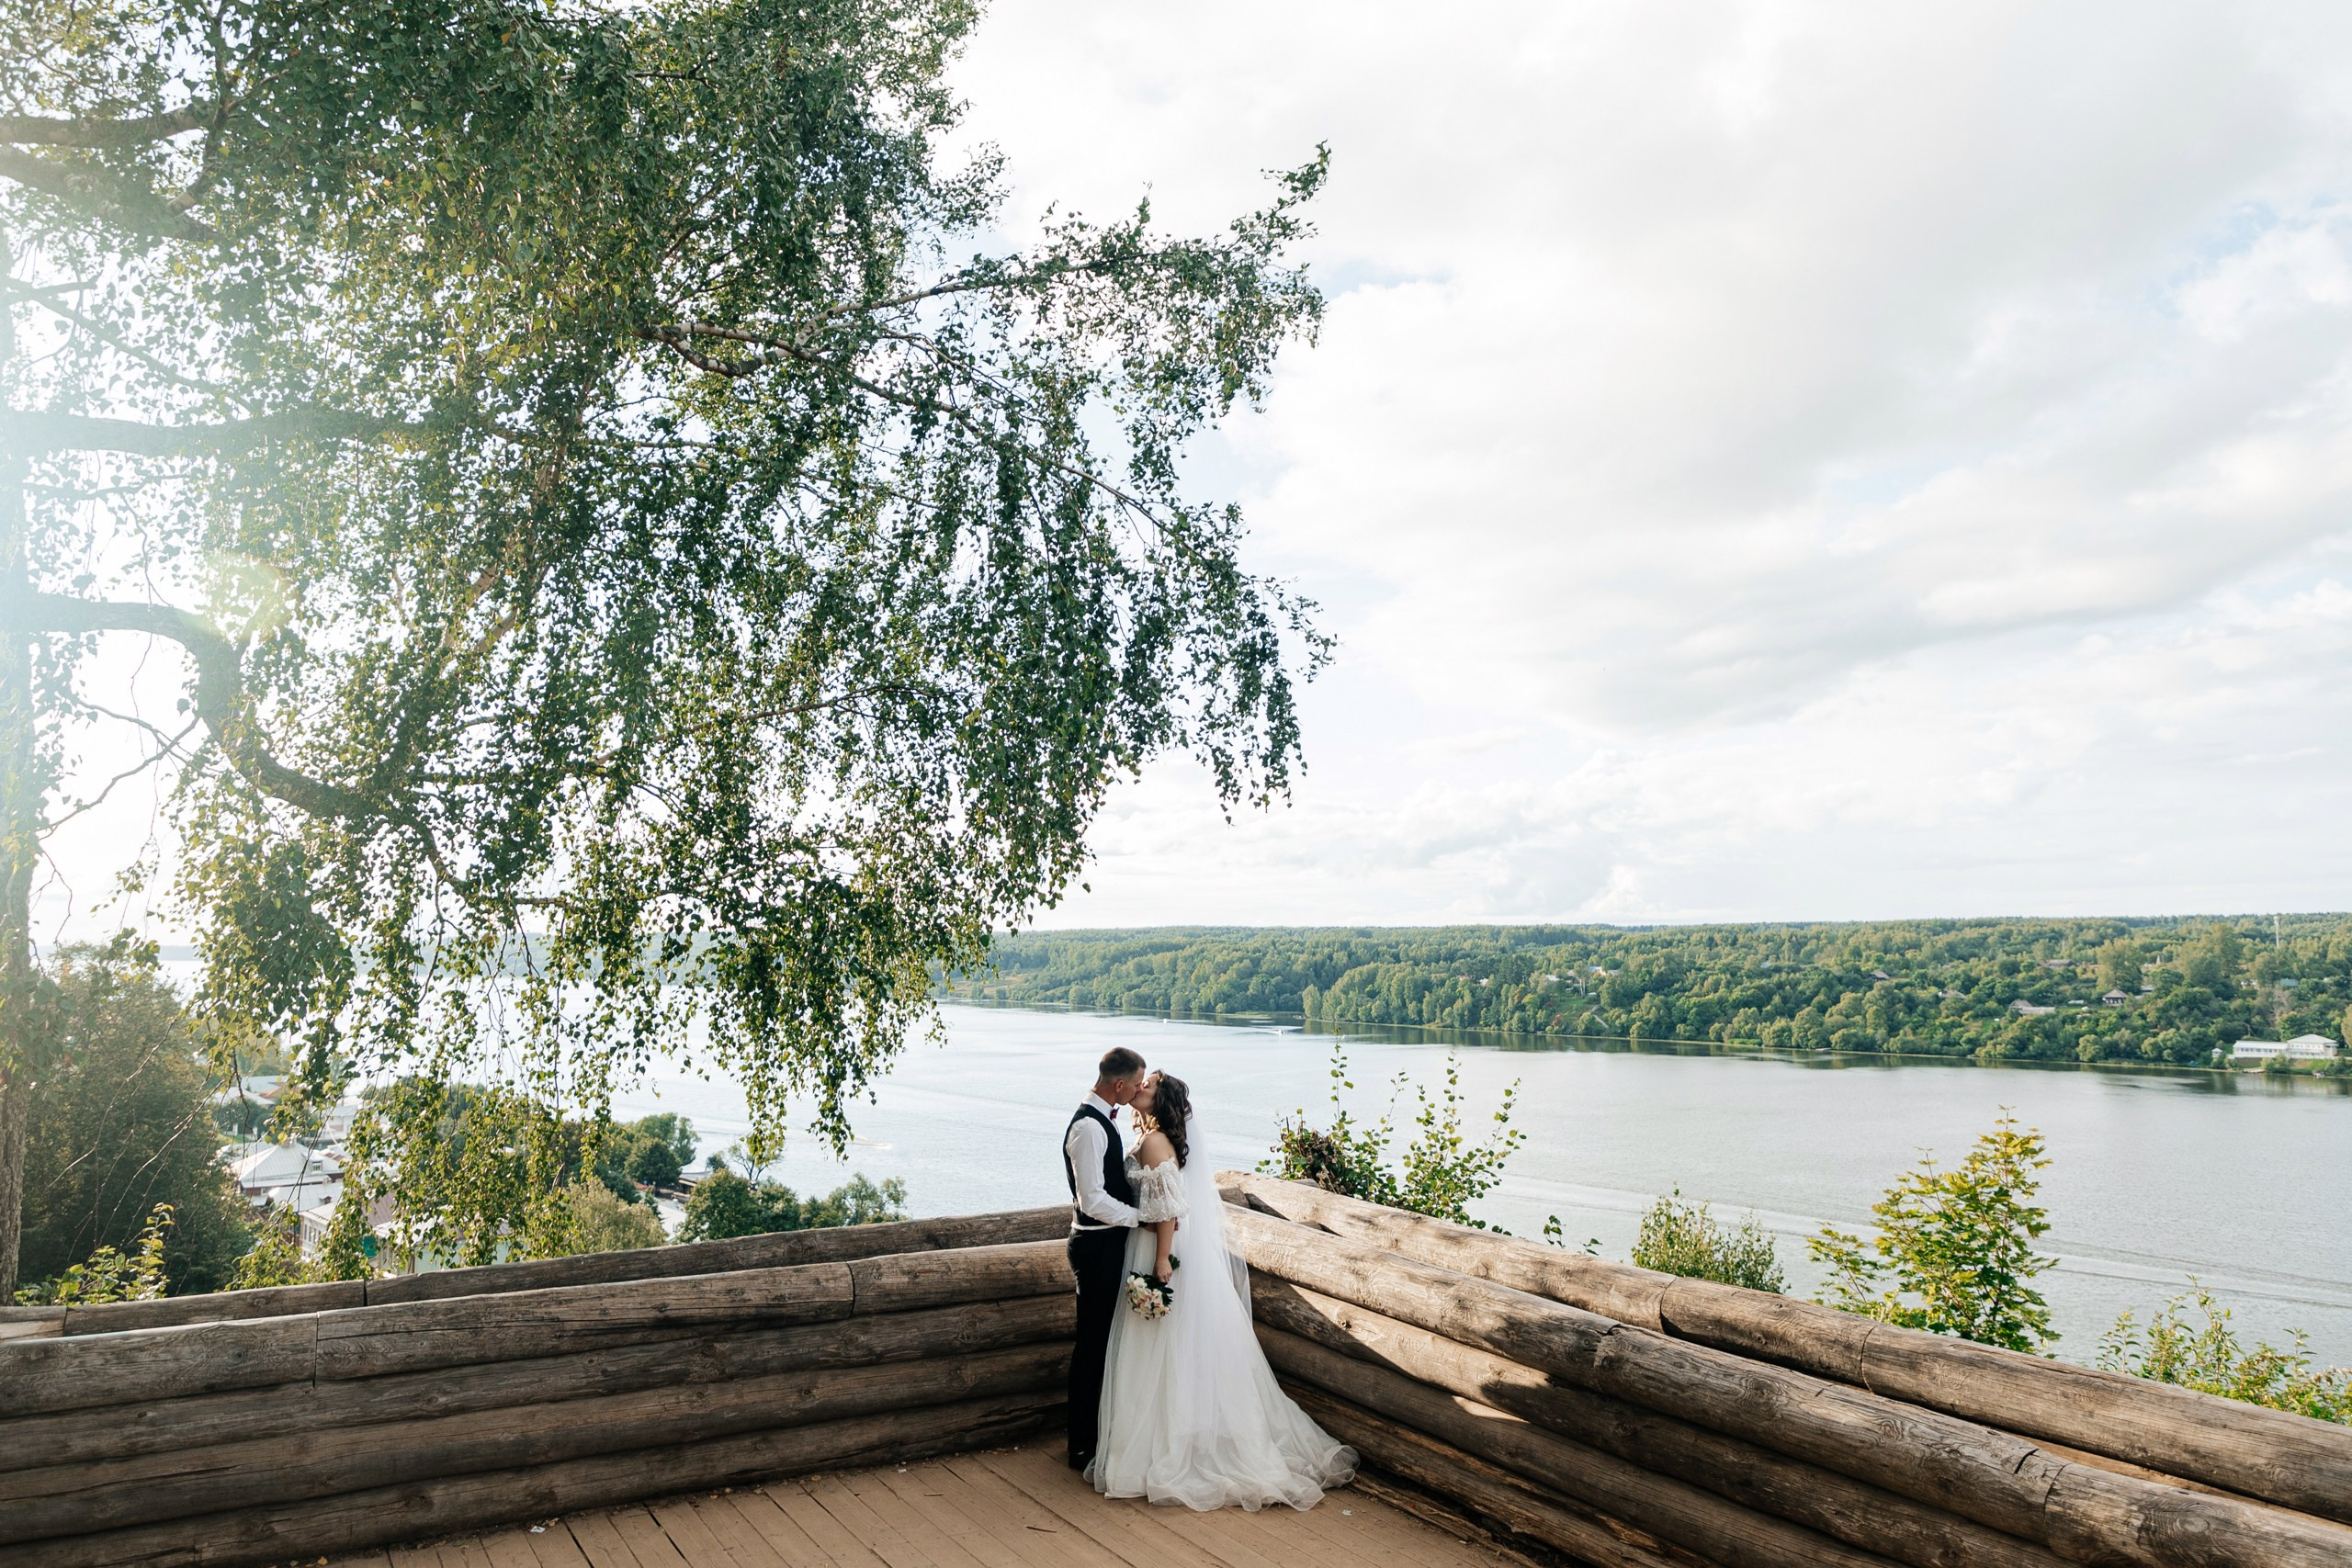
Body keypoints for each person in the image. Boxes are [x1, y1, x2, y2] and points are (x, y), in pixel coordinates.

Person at [1088, 1070, 1357, 1510]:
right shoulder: (1156, 1138)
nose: (1140, 1088)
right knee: (1174, 1347)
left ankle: (1165, 1447)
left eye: (1149, 1086)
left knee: (1162, 1346)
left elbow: (1170, 1211)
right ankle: (1175, 1436)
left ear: (1162, 1101)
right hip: (1158, 1243)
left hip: (1160, 1246)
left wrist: (1159, 1261)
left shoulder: (1156, 1143)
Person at [1063, 1045, 1148, 1472]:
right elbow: (1092, 1199)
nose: (1136, 1092)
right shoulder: (1089, 1129)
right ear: (1119, 1084)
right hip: (1096, 1247)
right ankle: (1081, 1445)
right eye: (1135, 1085)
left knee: (1103, 1342)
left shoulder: (1101, 1122)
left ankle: (1097, 1434)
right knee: (1092, 1346)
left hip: (1107, 1244)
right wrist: (1141, 1218)